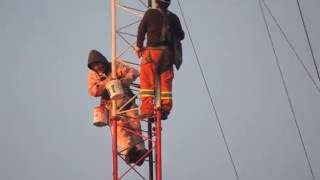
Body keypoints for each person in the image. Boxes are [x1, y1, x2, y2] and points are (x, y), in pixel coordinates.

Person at [87, 49, 147, 166]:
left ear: (103, 62)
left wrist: (125, 80)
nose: (97, 67)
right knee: (119, 130)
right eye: (94, 66)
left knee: (134, 125)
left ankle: (140, 151)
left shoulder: (115, 66)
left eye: (98, 64)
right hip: (111, 107)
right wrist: (108, 82)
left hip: (127, 101)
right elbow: (93, 91)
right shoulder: (93, 75)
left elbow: (134, 72)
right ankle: (128, 152)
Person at [135, 0, 184, 120]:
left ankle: (147, 108)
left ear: (156, 2)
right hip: (168, 55)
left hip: (153, 52)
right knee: (165, 81)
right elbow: (181, 35)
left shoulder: (150, 13)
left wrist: (138, 46)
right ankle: (165, 108)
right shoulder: (173, 17)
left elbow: (141, 30)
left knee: (147, 79)